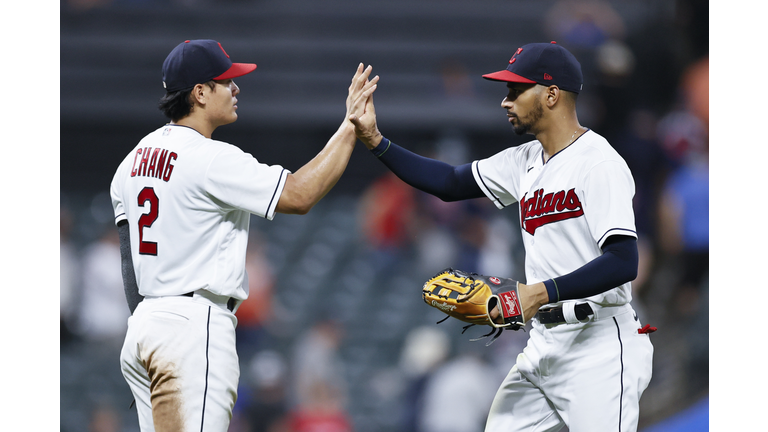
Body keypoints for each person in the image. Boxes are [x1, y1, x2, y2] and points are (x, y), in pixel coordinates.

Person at [350, 41, 654, 432]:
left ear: (550, 94)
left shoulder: (599, 162)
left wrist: (538, 293)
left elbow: (623, 261)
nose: (505, 101)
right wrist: (376, 141)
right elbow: (447, 181)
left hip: (599, 344)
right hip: (544, 343)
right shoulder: (524, 160)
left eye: (515, 90)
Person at [110, 39, 377, 432]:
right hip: (192, 327)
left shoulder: (132, 160)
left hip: (145, 328)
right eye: (226, 81)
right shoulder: (209, 157)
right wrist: (350, 126)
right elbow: (299, 195)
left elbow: (128, 264)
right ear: (200, 93)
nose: (236, 88)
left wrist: (149, 334)